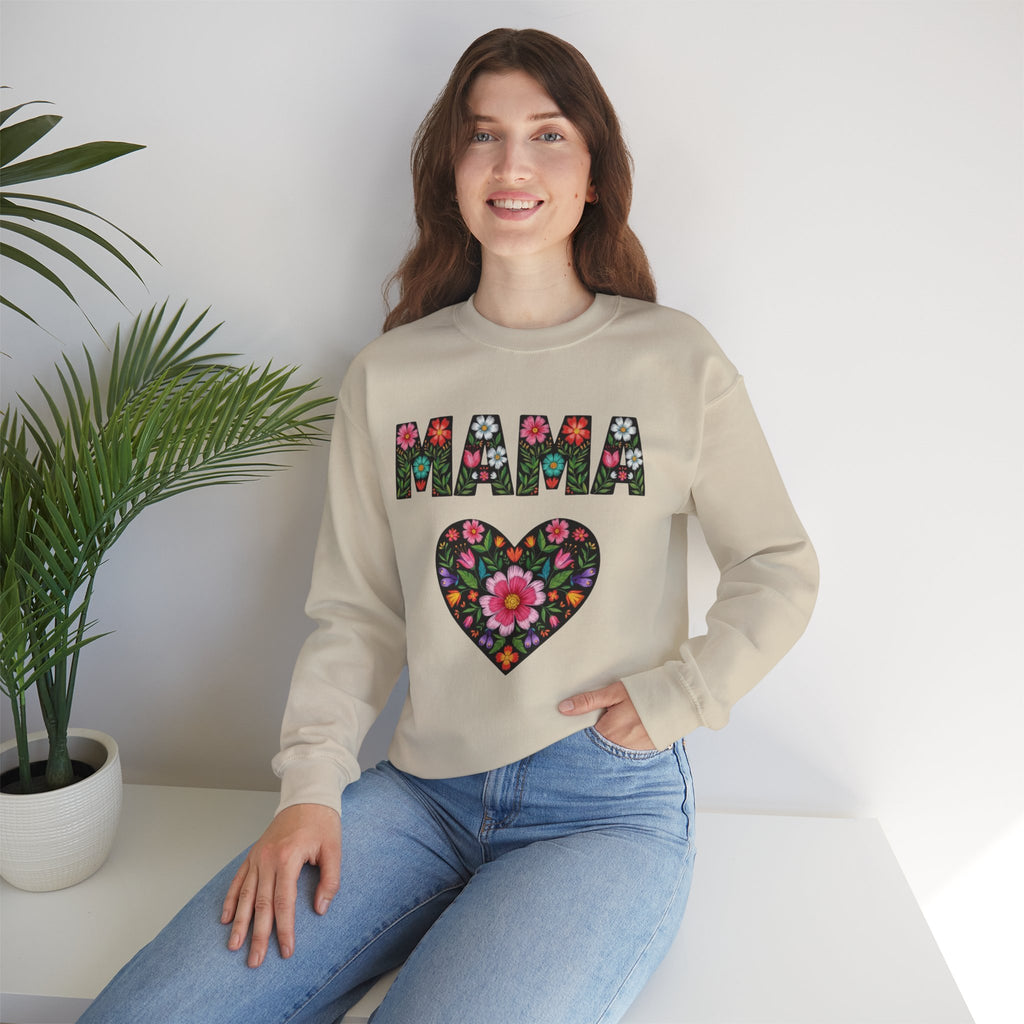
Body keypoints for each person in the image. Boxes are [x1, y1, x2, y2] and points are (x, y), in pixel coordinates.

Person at [80, 27, 818, 1024]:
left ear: (593, 172)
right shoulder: (391, 376)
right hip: (420, 794)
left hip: (602, 808)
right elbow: (358, 613)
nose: (512, 164)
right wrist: (309, 788)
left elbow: (778, 565)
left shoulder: (673, 361)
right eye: (483, 136)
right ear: (452, 171)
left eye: (547, 135)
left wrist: (684, 688)